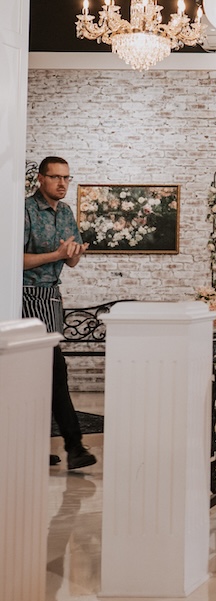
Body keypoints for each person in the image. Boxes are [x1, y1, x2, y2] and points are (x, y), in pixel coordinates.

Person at [23, 157, 95, 471]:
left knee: (40, 378)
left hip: (52, 298)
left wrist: (74, 254)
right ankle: (74, 446)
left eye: (67, 177)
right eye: (56, 177)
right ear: (41, 179)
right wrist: (57, 253)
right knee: (53, 372)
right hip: (24, 298)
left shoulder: (65, 212)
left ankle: (33, 446)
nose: (62, 184)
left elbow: (71, 262)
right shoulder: (24, 210)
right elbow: (14, 260)